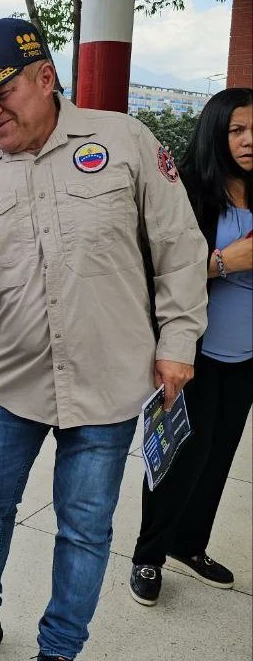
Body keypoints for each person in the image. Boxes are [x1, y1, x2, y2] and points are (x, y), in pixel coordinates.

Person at [0, 18, 209, 661]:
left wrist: (177, 342)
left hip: (111, 381)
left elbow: (180, 248)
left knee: (85, 530)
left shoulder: (124, 141)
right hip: (12, 381)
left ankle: (60, 648)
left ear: (46, 76)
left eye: (1, 92)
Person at [130, 88, 253, 606]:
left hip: (246, 357)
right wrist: (227, 261)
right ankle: (148, 556)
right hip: (193, 353)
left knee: (219, 457)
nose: (250, 141)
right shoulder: (190, 195)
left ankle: (190, 544)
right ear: (216, 135)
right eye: (239, 130)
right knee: (180, 456)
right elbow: (153, 271)